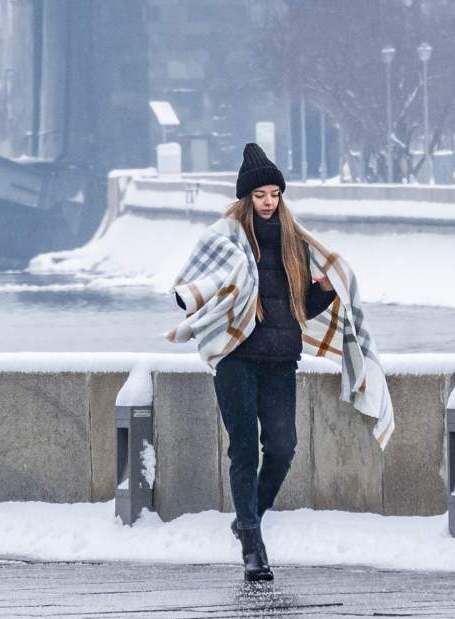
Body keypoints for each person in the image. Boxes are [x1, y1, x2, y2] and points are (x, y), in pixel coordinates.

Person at [167, 143, 394, 583]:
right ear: (246, 198)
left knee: (284, 447)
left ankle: (247, 519)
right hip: (236, 357)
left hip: (280, 359)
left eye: (275, 193)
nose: (269, 202)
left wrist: (326, 289)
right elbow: (197, 287)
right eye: (261, 195)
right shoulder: (226, 238)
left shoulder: (296, 243)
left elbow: (297, 308)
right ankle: (253, 546)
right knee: (244, 449)